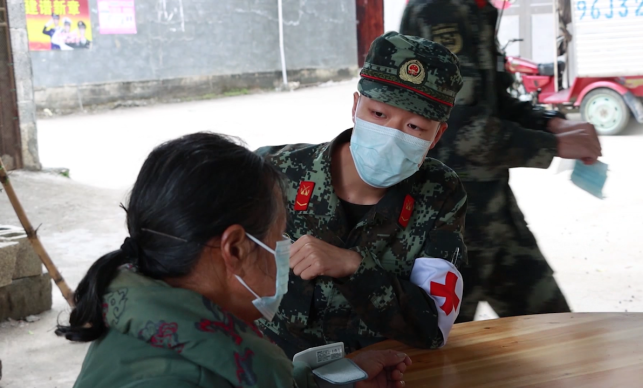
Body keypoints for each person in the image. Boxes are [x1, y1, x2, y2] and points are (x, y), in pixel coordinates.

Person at [56, 133, 412, 388]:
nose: (284, 250)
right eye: (278, 238)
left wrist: (332, 380)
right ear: (236, 249)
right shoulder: (172, 377)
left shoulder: (155, 319)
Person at [255, 31, 468, 358]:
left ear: (437, 135)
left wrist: (354, 266)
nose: (390, 137)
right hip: (274, 371)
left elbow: (432, 327)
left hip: (381, 371)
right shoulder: (274, 173)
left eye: (414, 127)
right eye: (379, 115)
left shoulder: (440, 193)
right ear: (356, 106)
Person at [400, 0, 602, 323]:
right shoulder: (440, 10)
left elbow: (494, 101)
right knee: (435, 354)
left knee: (560, 337)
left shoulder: (478, 10)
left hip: (494, 217)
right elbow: (461, 130)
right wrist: (552, 143)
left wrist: (551, 122)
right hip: (444, 227)